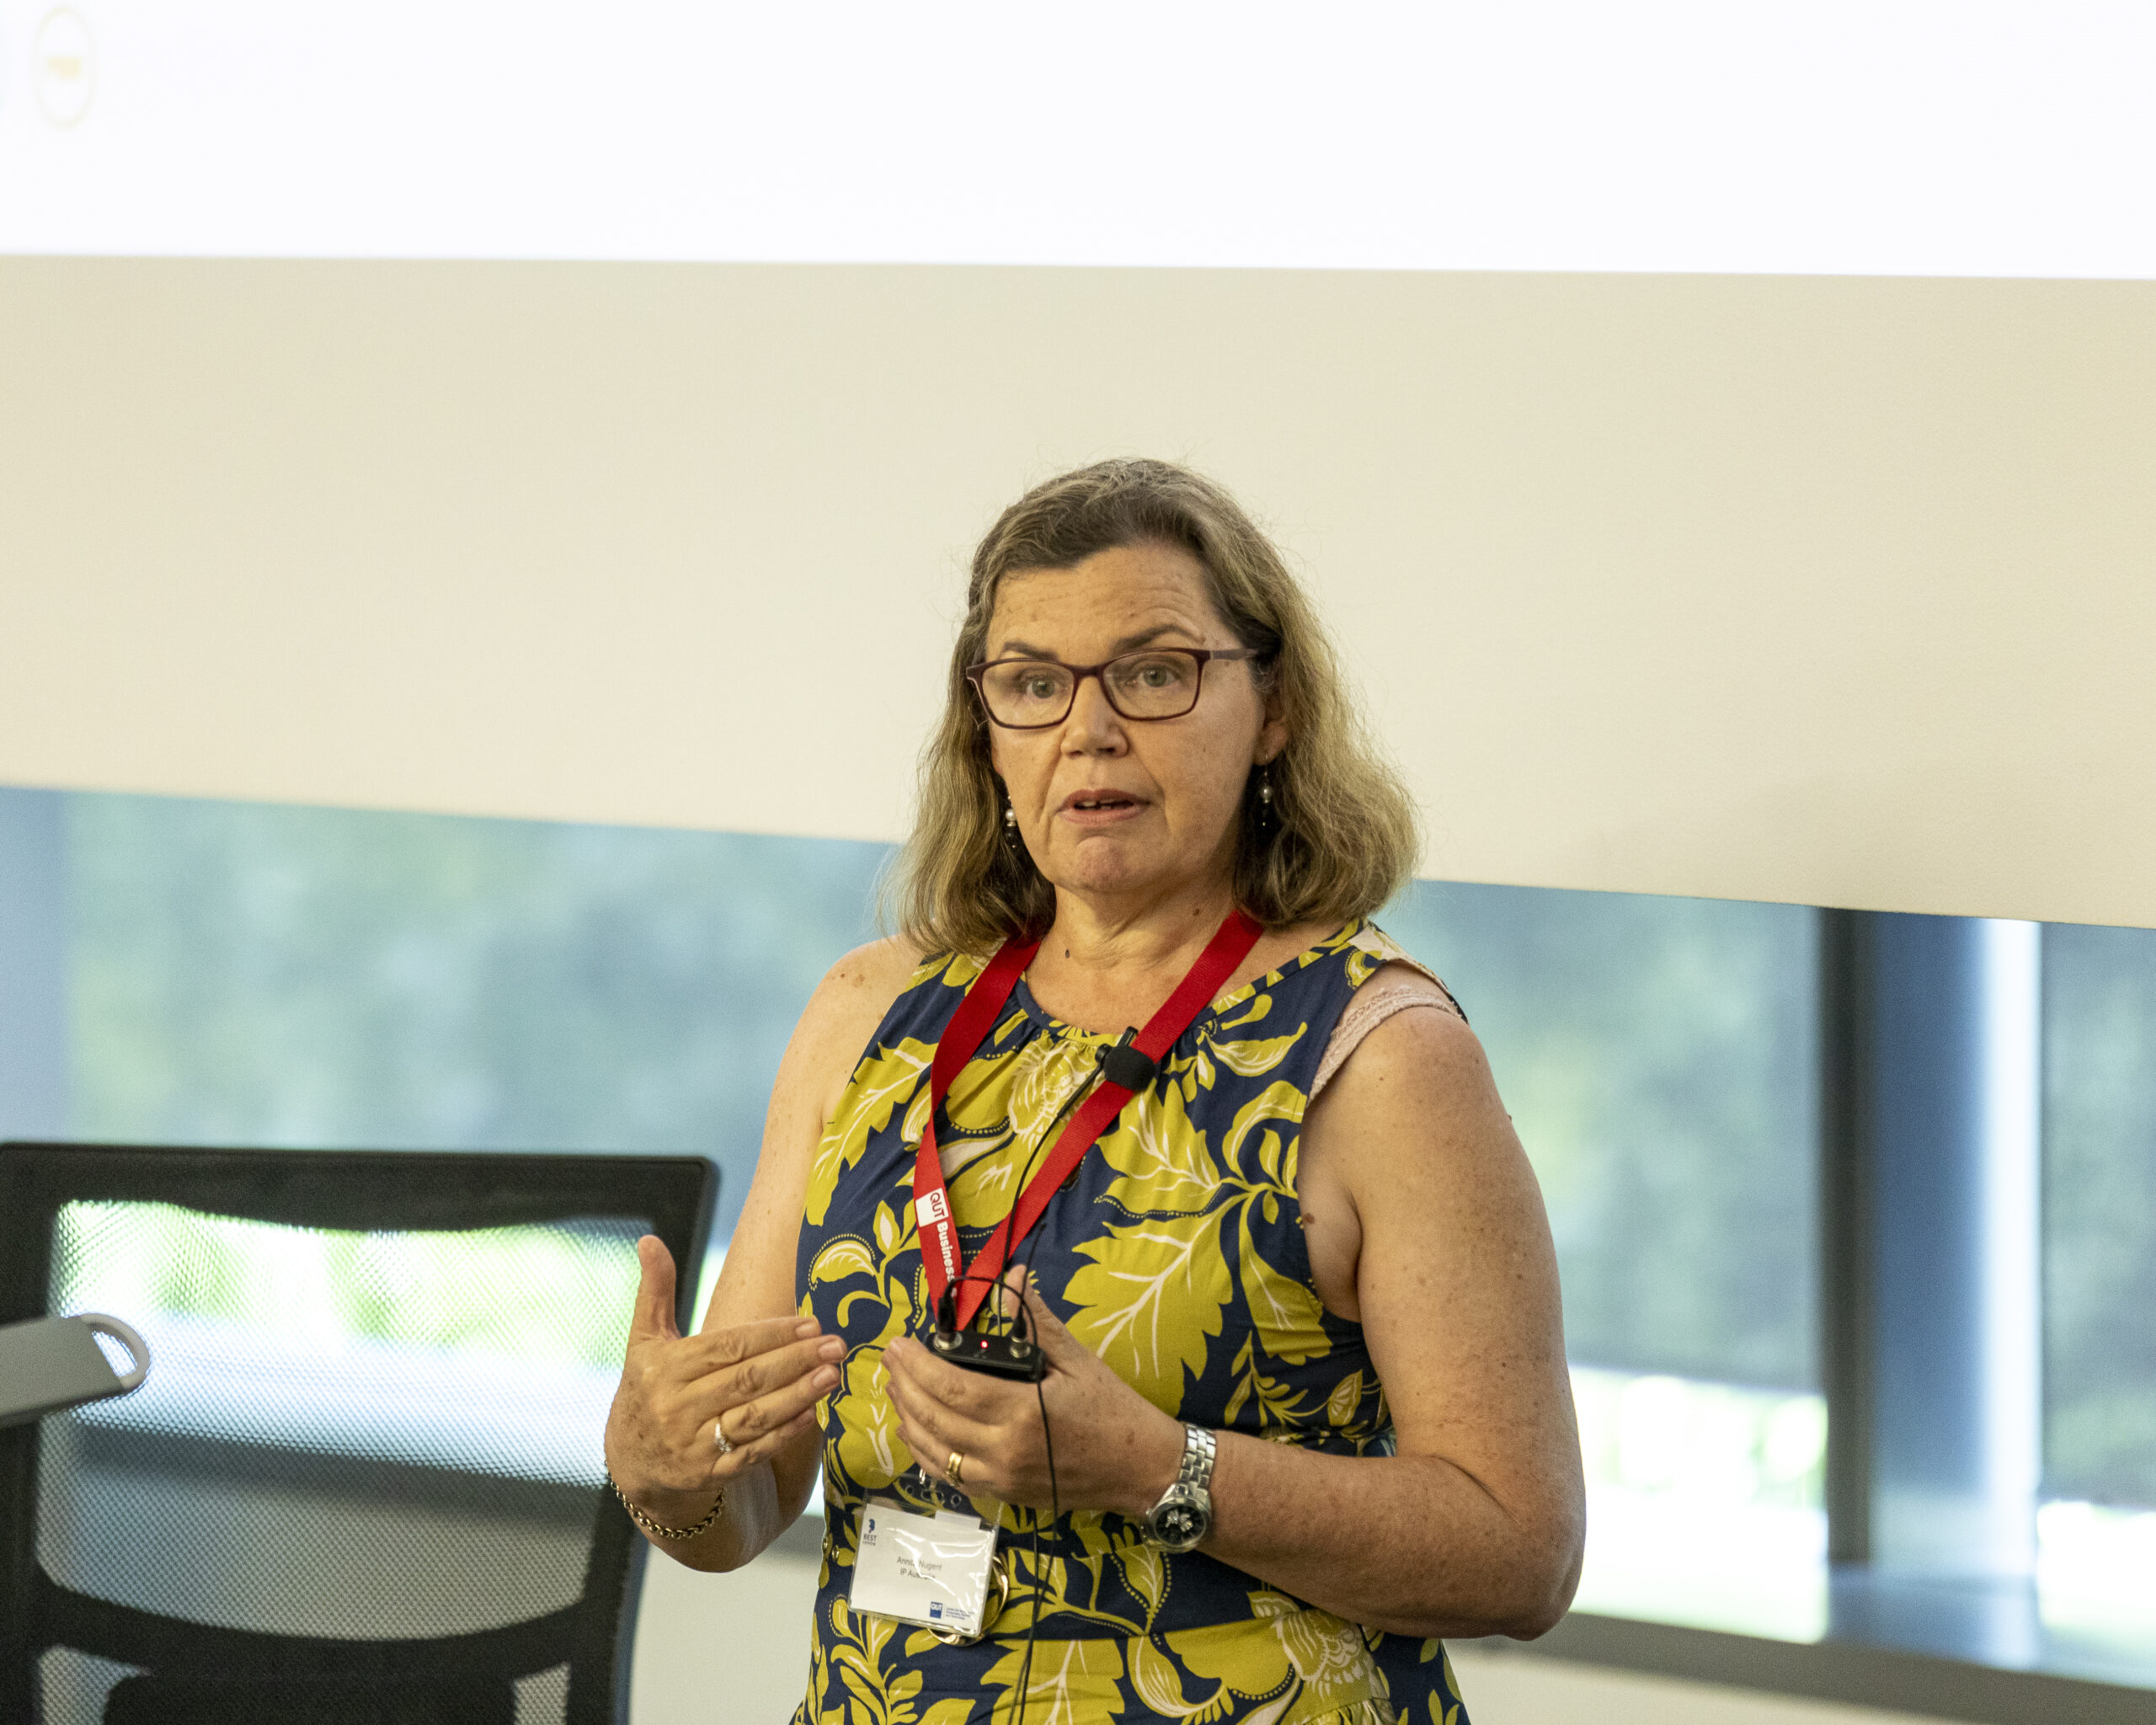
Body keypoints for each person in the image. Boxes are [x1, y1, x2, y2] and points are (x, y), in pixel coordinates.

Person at [603, 458, 1584, 1724]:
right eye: (1033, 684)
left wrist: (1156, 1470)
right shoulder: (868, 1014)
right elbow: (740, 1506)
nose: (1090, 729)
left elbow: (1520, 1552)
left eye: (1155, 674)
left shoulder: (1381, 1055)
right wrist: (662, 1473)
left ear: (1274, 707)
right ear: (985, 728)